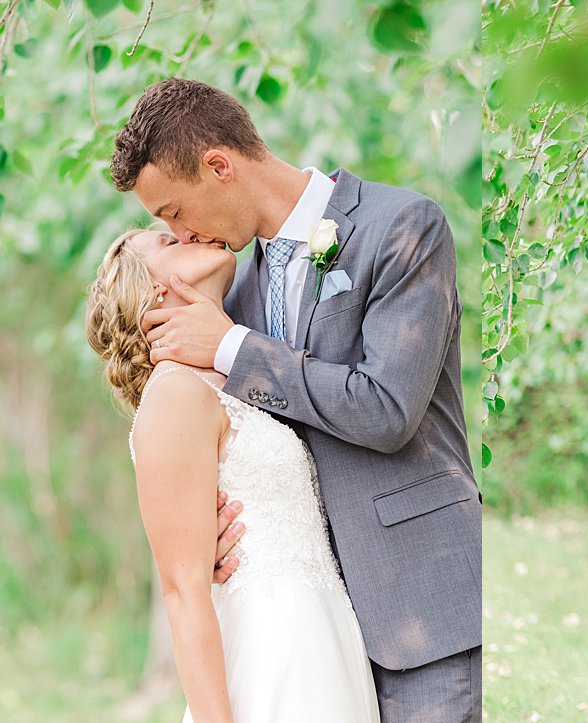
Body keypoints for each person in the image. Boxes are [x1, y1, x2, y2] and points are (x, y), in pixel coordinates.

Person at [112, 77, 482, 721]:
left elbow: (388, 410)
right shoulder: (232, 292)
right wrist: (213, 537)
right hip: (314, 634)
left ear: (219, 166)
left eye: (173, 212)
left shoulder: (401, 227)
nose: (181, 232)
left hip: (421, 606)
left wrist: (233, 348)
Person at [88, 228, 381, 721]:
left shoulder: (232, 374)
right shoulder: (175, 393)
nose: (190, 233)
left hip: (325, 638)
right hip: (270, 647)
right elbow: (183, 591)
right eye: (168, 241)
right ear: (153, 290)